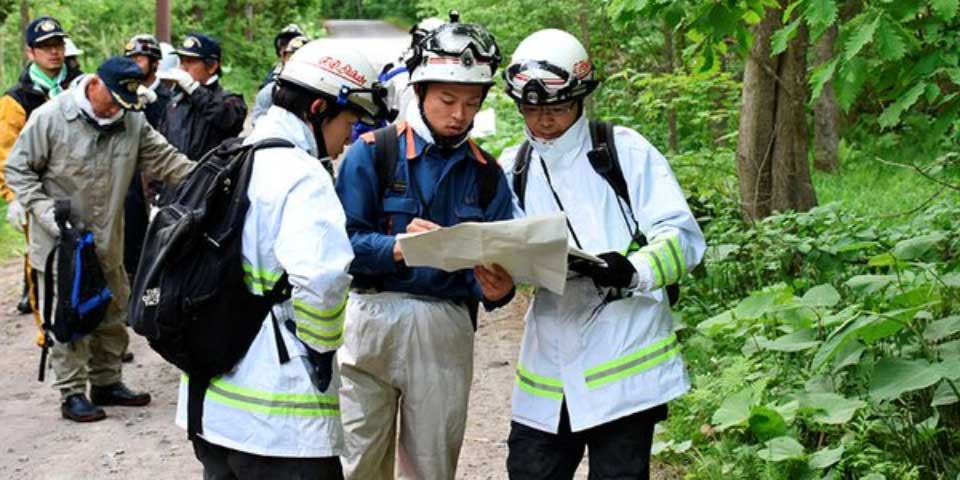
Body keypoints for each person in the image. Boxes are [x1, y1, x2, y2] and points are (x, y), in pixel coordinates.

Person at [498, 29, 706, 479]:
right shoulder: (513, 165)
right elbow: (504, 249)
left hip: (624, 367)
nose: (543, 121)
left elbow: (682, 238)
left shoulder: (623, 150)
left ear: (580, 100)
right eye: (531, 110)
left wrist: (634, 270)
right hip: (549, 370)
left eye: (555, 109)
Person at [176, 41, 387, 479]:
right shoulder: (303, 175)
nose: (350, 136)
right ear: (317, 107)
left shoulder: (232, 155)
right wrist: (320, 352)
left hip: (210, 410)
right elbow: (322, 282)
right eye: (349, 121)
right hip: (280, 420)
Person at [335, 18, 516, 480]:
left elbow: (505, 261)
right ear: (418, 91)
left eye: (472, 103)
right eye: (448, 99)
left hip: (445, 326)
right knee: (356, 462)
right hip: (369, 320)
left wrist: (499, 289)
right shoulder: (371, 153)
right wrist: (399, 247)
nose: (459, 114)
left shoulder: (487, 174)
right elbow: (339, 247)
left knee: (433, 466)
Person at [5, 56, 196, 422]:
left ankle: (107, 382)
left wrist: (212, 176)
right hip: (62, 244)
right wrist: (45, 213)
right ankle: (72, 392)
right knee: (69, 316)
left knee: (112, 310)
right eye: (114, 101)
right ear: (94, 85)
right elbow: (18, 169)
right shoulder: (51, 118)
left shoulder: (131, 120)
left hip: (108, 239)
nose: (118, 112)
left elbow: (167, 161)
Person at [0, 17, 81, 320]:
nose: (54, 52)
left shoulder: (80, 86)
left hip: (82, 187)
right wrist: (14, 197)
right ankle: (46, 328)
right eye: (45, 47)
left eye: (58, 44)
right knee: (42, 261)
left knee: (88, 257)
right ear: (30, 52)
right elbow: (5, 153)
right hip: (38, 192)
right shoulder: (16, 99)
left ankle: (91, 331)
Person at [157, 32, 246, 162]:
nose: (183, 68)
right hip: (174, 179)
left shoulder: (230, 101)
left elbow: (226, 119)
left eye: (190, 61)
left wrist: (194, 89)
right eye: (181, 61)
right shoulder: (174, 103)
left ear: (212, 66)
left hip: (209, 179)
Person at [251, 34, 308, 126]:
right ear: (284, 58)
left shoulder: (321, 93)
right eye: (292, 57)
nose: (297, 63)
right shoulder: (270, 92)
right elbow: (258, 123)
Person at [261, 23, 306, 88]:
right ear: (279, 51)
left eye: (296, 44)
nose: (289, 47)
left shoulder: (310, 72)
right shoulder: (274, 74)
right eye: (284, 43)